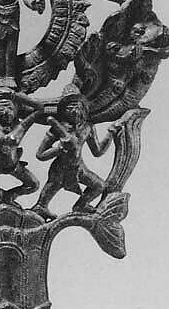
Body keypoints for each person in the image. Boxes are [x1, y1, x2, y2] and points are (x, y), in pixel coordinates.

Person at [31, 84, 110, 221]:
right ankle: (40, 210)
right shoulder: (57, 128)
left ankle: (81, 205)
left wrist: (110, 135)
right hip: (59, 171)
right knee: (43, 201)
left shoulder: (87, 127)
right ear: (63, 111)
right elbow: (40, 155)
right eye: (69, 108)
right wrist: (59, 149)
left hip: (79, 168)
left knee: (99, 186)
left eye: (77, 107)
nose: (74, 111)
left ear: (83, 109)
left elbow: (97, 151)